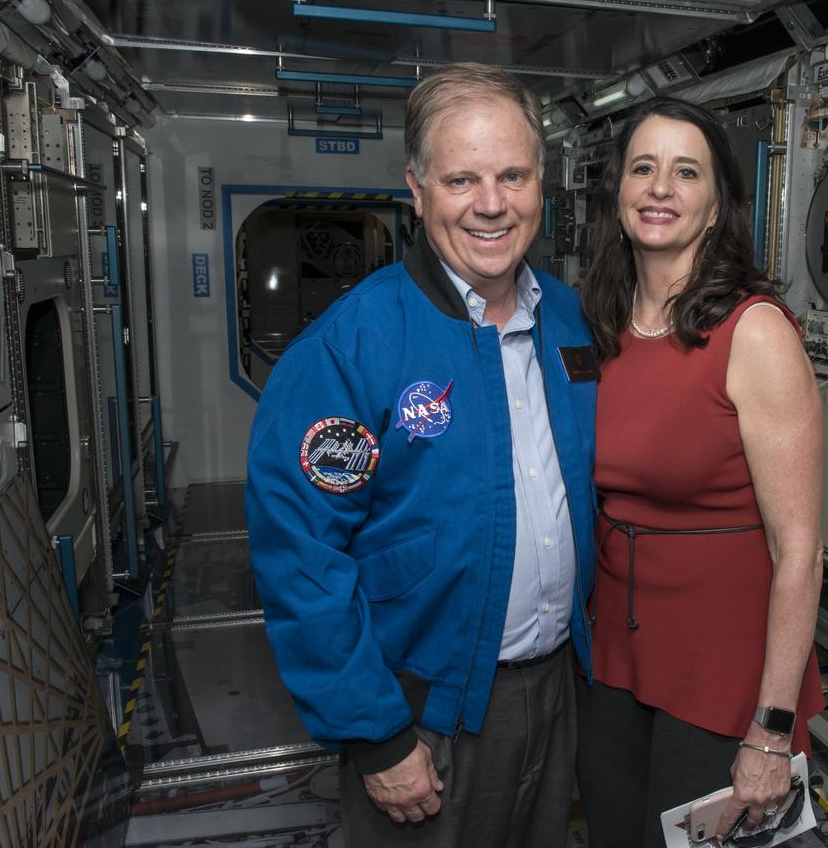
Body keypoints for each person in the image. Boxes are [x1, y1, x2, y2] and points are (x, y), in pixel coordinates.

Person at [245, 62, 598, 848]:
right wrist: (376, 735)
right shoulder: (353, 346)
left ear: (542, 182)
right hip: (425, 716)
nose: (491, 204)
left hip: (556, 692)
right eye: (461, 179)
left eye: (513, 175)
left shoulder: (569, 323)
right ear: (417, 188)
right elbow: (301, 555)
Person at [576, 96, 825, 848]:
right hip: (617, 657)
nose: (660, 188)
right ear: (618, 194)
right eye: (643, 168)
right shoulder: (599, 322)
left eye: (687, 173)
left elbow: (801, 552)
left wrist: (771, 730)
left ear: (716, 207)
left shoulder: (753, 333)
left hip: (723, 672)